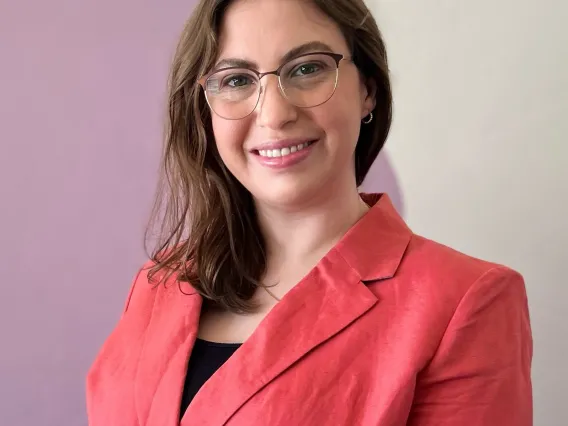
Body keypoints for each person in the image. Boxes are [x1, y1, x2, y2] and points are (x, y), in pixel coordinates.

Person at [86, 0, 533, 424]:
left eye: (307, 69)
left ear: (368, 92)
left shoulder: (466, 302)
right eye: (237, 80)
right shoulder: (159, 284)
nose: (275, 114)